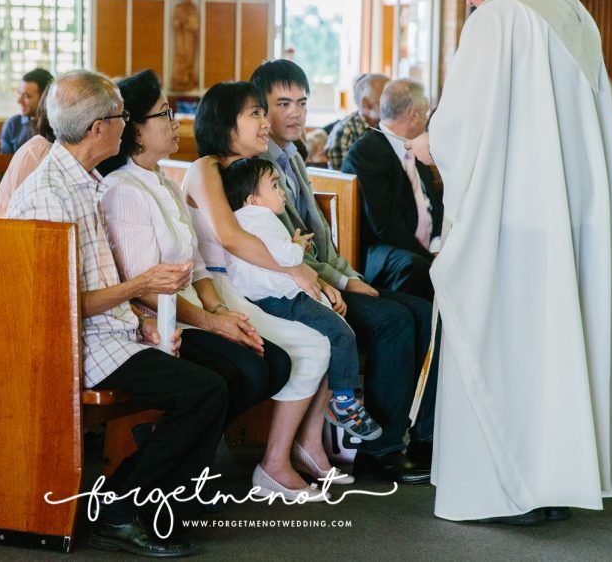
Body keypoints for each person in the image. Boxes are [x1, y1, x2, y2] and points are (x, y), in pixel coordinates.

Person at [408, 0, 612, 524]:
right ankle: (555, 484)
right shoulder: (569, 8)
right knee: (553, 349)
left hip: (514, 222)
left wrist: (432, 142)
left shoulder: (502, 16)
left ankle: (509, 489)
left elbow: (469, 123)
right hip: (564, 219)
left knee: (508, 345)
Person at [6, 70, 226, 557]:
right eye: (122, 116)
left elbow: (98, 279)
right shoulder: (49, 195)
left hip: (108, 329)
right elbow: (57, 305)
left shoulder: (83, 181)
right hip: (73, 343)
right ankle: (121, 508)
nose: (127, 125)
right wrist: (143, 286)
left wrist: (142, 318)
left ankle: (150, 498)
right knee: (204, 390)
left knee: (213, 379)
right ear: (96, 128)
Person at [249, 61, 438, 485]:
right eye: (283, 104)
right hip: (292, 287)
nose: (295, 113)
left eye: (301, 102)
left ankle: (420, 438)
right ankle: (378, 450)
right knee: (392, 321)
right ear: (261, 110)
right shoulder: (259, 168)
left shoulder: (293, 156)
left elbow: (321, 238)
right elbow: (286, 251)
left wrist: (350, 275)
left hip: (326, 277)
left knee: (425, 314)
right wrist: (342, 281)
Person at [98, 68, 292, 433]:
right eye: (165, 113)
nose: (176, 122)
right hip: (159, 323)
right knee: (249, 370)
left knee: (277, 363)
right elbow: (148, 290)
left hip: (191, 310)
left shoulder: (164, 184)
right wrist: (213, 322)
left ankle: (178, 442)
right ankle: (175, 448)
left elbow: (198, 266)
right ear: (136, 130)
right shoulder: (123, 190)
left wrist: (220, 310)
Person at [182, 81, 338, 499]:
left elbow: (280, 240)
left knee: (328, 332)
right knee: (312, 345)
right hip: (214, 288)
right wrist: (297, 271)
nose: (265, 121)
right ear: (224, 122)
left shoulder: (251, 172)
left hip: (248, 283)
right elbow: (231, 238)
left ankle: (298, 449)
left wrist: (314, 276)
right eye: (254, 113)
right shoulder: (206, 168)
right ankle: (275, 462)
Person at [220, 157, 382, 441]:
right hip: (282, 298)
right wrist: (296, 246)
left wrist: (291, 246)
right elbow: (289, 258)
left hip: (264, 298)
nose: (281, 191)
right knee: (342, 332)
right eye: (273, 186)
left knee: (334, 328)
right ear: (252, 199)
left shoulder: (242, 220)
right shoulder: (260, 219)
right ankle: (343, 402)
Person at [342, 78, 443, 298]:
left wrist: (437, 247)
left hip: (426, 250)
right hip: (385, 253)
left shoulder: (415, 147)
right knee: (414, 266)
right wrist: (429, 258)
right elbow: (385, 225)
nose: (426, 121)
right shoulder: (366, 152)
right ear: (413, 114)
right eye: (425, 114)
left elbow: (435, 204)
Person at [0, 89, 54, 217]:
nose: (19, 100)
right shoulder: (37, 150)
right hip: (6, 228)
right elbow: (22, 214)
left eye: (27, 95)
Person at [324, 73, 388, 171]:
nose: (395, 105)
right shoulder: (344, 132)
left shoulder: (391, 126)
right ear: (366, 104)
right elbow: (345, 182)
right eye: (387, 101)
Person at [0, 68, 52, 154]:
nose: (19, 101)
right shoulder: (12, 126)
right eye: (19, 93)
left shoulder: (57, 127)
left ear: (45, 98)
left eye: (27, 96)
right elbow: (6, 164)